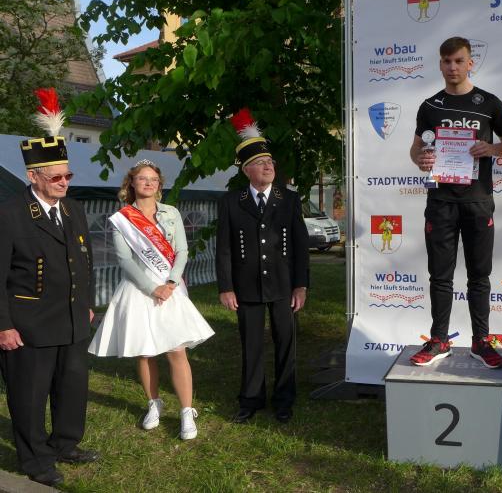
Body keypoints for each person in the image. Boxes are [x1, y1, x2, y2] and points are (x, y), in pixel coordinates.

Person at [0, 89, 98, 487]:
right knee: (29, 395)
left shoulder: (74, 209)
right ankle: (36, 460)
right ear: (33, 176)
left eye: (68, 175)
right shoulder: (10, 214)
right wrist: (3, 325)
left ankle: (65, 444)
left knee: (72, 386)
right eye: (56, 177)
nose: (64, 182)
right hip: (29, 324)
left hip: (72, 318)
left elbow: (86, 260)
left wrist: (87, 303)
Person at [409, 37, 502, 368]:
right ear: (440, 65)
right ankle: (439, 340)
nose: (452, 67)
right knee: (440, 276)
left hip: (478, 201)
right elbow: (416, 148)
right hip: (441, 201)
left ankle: (481, 341)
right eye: (447, 61)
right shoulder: (430, 106)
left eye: (459, 61)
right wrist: (421, 160)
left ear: (470, 63)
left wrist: (494, 149)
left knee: (479, 275)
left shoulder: (489, 103)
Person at [88, 159, 214, 440]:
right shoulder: (122, 218)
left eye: (153, 179)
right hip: (138, 289)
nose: (148, 183)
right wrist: (151, 288)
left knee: (176, 350)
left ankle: (186, 411)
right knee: (145, 352)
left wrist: (170, 283)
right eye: (142, 178)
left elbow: (182, 251)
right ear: (132, 183)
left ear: (159, 185)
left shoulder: (171, 213)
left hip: (170, 288)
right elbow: (124, 260)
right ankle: (153, 403)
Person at [216, 108, 309, 424]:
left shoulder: (289, 200)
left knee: (286, 342)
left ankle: (284, 399)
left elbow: (300, 247)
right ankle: (251, 399)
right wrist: (226, 287)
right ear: (247, 170)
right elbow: (224, 248)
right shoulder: (232, 202)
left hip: (283, 284)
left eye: (270, 161)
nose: (268, 166)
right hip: (247, 285)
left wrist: (301, 285)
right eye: (261, 163)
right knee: (251, 344)